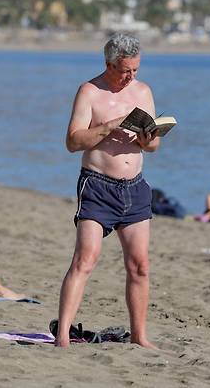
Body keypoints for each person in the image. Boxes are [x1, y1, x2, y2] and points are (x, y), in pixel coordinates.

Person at [56, 33, 158, 348]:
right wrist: (110, 126)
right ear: (109, 64)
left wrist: (146, 137)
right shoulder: (89, 92)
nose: (131, 77)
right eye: (125, 70)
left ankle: (139, 337)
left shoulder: (142, 91)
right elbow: (73, 142)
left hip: (135, 188)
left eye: (136, 70)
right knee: (85, 259)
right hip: (98, 186)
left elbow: (153, 145)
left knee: (139, 264)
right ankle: (62, 335)